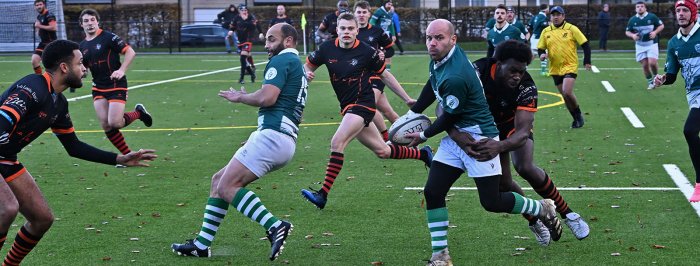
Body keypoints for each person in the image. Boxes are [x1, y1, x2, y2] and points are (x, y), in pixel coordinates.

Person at [403, 20, 561, 265]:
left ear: (452, 40)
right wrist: (413, 114)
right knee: (433, 191)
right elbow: (433, 88)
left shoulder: (456, 75)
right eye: (429, 37)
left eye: (439, 38)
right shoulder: (441, 58)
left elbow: (450, 116)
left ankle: (540, 209)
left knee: (492, 201)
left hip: (480, 139)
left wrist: (423, 136)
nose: (432, 43)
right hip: (457, 138)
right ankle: (440, 256)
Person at [0, 39, 156, 266]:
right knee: (7, 208)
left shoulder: (58, 103)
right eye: (80, 63)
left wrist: (118, 158)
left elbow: (73, 146)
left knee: (42, 219)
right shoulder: (33, 88)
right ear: (64, 67)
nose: (85, 69)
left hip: (5, 158)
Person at [171, 23, 303, 261]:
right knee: (218, 180)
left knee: (227, 187)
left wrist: (240, 97)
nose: (267, 44)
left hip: (273, 137)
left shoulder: (283, 60)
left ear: (289, 41)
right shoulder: (296, 64)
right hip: (280, 137)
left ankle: (274, 225)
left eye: (272, 39)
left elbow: (268, 97)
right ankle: (202, 245)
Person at [447, 40, 591, 245]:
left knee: (524, 166)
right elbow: (445, 106)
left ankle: (569, 214)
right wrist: (454, 133)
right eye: (513, 70)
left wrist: (499, 146)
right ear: (499, 62)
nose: (517, 76)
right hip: (487, 129)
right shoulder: (476, 72)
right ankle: (536, 219)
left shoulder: (526, 87)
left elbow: (523, 133)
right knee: (504, 184)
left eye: (522, 71)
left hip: (512, 127)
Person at [300, 13, 431, 210]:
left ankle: (323, 194)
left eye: (350, 29)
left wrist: (406, 99)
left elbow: (385, 76)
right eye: (343, 28)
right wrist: (306, 73)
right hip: (347, 108)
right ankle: (423, 155)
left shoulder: (366, 51)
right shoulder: (326, 48)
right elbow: (307, 66)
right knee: (383, 151)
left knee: (337, 142)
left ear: (356, 31)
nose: (346, 32)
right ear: (337, 30)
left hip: (363, 104)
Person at [79, 9, 153, 156]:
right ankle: (127, 156)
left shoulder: (108, 37)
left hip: (116, 84)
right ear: (81, 25)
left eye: (92, 19)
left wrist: (121, 70)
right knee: (106, 125)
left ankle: (139, 113)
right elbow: (85, 66)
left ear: (97, 21)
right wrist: (82, 72)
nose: (90, 23)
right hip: (98, 87)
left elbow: (130, 52)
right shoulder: (82, 46)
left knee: (115, 123)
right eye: (86, 21)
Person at [652, 0, 700, 202]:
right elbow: (672, 74)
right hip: (694, 95)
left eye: (685, 10)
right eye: (678, 10)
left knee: (689, 130)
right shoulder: (674, 43)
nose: (680, 14)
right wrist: (663, 79)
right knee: (691, 131)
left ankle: (699, 183)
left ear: (693, 13)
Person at [537, 6, 591, 129]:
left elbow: (585, 45)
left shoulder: (572, 29)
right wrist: (542, 55)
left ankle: (578, 114)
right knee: (565, 96)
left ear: (563, 16)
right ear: (550, 17)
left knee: (567, 91)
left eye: (558, 14)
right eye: (553, 15)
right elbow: (541, 48)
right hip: (555, 68)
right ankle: (576, 118)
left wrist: (587, 61)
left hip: (570, 65)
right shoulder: (546, 31)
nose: (555, 17)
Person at [354, 1, 401, 142]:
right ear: (354, 14)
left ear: (369, 14)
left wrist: (382, 54)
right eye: (359, 12)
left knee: (368, 104)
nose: (361, 15)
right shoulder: (350, 32)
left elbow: (390, 49)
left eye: (364, 12)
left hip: (376, 75)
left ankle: (386, 138)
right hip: (359, 78)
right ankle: (411, 135)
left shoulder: (377, 31)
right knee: (388, 112)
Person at [626, 2, 665, 90]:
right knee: (645, 65)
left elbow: (661, 25)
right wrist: (632, 35)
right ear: (635, 9)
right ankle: (650, 83)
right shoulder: (632, 20)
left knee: (652, 63)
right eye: (638, 7)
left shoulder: (652, 17)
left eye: (642, 6)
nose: (640, 8)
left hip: (652, 44)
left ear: (645, 8)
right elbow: (627, 31)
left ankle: (656, 77)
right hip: (640, 45)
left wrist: (655, 32)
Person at [231, 5, 264, 84]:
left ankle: (241, 78)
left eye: (245, 10)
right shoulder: (236, 18)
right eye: (242, 10)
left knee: (243, 58)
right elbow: (233, 26)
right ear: (239, 11)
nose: (244, 11)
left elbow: (256, 24)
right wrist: (231, 31)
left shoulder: (251, 17)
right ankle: (252, 73)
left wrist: (261, 33)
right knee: (246, 58)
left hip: (248, 40)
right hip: (240, 40)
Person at [31, 0, 57, 75]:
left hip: (51, 43)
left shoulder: (49, 15)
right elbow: (39, 26)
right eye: (37, 5)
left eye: (40, 4)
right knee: (34, 60)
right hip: (43, 43)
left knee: (51, 65)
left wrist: (39, 26)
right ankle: (40, 78)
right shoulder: (39, 16)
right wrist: (38, 30)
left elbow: (53, 27)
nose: (39, 6)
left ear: (44, 5)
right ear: (35, 7)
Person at [528, 4, 549, 75]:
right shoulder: (543, 17)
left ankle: (524, 67)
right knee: (544, 53)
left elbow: (529, 26)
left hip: (533, 37)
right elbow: (543, 25)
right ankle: (543, 71)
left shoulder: (535, 17)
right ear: (546, 9)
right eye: (548, 8)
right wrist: (549, 24)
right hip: (538, 38)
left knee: (533, 55)